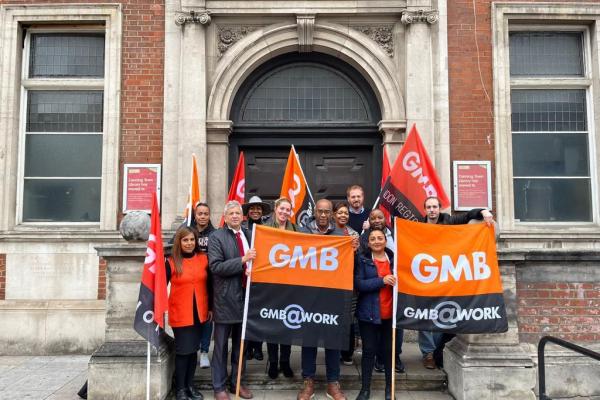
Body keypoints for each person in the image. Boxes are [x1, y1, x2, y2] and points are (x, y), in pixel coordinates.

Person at [418, 196, 495, 369]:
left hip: (446, 277)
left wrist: (483, 211)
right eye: (429, 207)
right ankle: (428, 353)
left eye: (435, 207)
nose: (432, 210)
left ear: (439, 208)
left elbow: (469, 215)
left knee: (440, 315)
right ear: (425, 210)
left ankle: (437, 349)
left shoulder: (450, 221)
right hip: (424, 277)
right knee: (422, 314)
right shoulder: (418, 226)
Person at [297, 198, 347, 400]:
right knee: (308, 342)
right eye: (320, 211)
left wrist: (352, 248)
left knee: (332, 342)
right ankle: (308, 382)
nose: (324, 215)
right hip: (308, 298)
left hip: (331, 298)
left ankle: (333, 383)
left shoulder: (340, 235)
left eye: (327, 212)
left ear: (332, 214)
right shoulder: (302, 234)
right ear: (314, 212)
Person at [208, 201, 256, 400]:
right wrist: (243, 260)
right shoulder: (216, 237)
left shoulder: (248, 234)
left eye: (238, 213)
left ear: (242, 216)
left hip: (246, 297)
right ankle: (219, 387)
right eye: (232, 213)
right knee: (220, 347)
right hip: (225, 299)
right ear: (225, 217)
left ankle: (237, 382)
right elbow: (216, 267)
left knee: (241, 345)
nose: (236, 216)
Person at [167, 226, 212, 400]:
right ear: (179, 242)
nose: (189, 243)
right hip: (180, 313)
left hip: (199, 313)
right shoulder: (171, 261)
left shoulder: (203, 258)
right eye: (185, 240)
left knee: (193, 351)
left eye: (192, 239)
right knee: (183, 351)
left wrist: (210, 308)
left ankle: (190, 386)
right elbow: (160, 288)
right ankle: (180, 389)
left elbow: (209, 285)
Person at [358, 209, 404, 374]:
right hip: (371, 304)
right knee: (371, 344)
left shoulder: (397, 233)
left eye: (380, 217)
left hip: (394, 299)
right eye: (373, 218)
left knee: (393, 337)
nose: (377, 220)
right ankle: (378, 360)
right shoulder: (364, 239)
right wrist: (381, 281)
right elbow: (359, 280)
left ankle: (394, 357)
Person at [355, 228, 396, 400]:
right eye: (373, 239)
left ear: (385, 241)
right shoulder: (362, 259)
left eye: (380, 238)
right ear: (368, 242)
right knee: (369, 351)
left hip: (390, 315)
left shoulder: (395, 259)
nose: (377, 241)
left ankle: (389, 389)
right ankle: (365, 389)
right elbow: (359, 284)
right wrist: (382, 280)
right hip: (368, 314)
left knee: (388, 352)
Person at [263, 197, 297, 379]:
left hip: (290, 284)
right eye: (282, 208)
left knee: (287, 323)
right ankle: (273, 362)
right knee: (272, 324)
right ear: (275, 209)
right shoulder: (265, 228)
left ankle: (285, 361)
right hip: (271, 284)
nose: (284, 212)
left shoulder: (295, 228)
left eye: (287, 209)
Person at [241, 196, 271, 362]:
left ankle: (258, 348)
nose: (255, 211)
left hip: (262, 274)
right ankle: (247, 348)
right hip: (246, 275)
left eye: (258, 208)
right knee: (247, 312)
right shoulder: (242, 227)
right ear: (247, 211)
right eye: (252, 208)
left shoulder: (267, 228)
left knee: (260, 313)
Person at [332, 201, 359, 366]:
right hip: (332, 285)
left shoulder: (354, 234)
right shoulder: (327, 232)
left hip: (350, 284)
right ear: (334, 214)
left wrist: (355, 251)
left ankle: (347, 352)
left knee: (348, 319)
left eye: (346, 213)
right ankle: (333, 350)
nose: (343, 215)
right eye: (340, 212)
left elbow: (359, 261)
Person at [192, 203, 216, 369]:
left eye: (205, 214)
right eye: (199, 213)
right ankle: (192, 349)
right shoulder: (186, 231)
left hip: (210, 282)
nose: (202, 216)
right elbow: (172, 248)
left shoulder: (215, 234)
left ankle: (205, 351)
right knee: (192, 318)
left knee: (207, 318)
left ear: (209, 216)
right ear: (195, 215)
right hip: (191, 282)